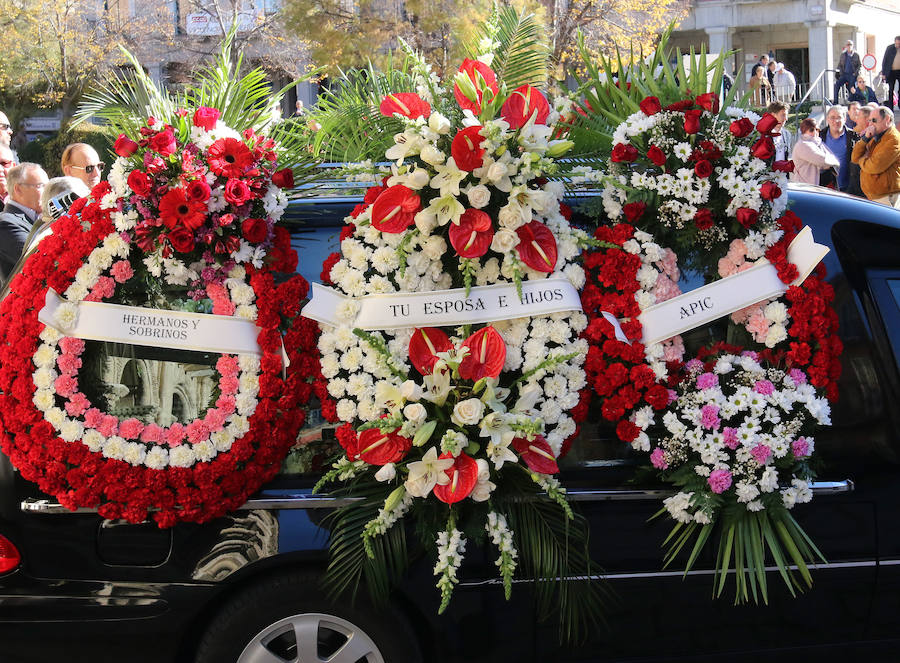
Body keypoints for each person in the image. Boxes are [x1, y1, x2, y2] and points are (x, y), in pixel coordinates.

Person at [0, 163, 48, 286]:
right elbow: (39, 261)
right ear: (18, 189)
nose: (48, 192)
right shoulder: (5, 223)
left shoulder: (40, 216)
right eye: (41, 186)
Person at [851, 105, 900, 206]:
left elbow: (875, 165)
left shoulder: (893, 139)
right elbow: (855, 157)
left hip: (887, 196)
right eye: (869, 120)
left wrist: (863, 159)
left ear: (887, 119)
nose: (871, 124)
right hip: (876, 195)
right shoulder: (875, 135)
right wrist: (865, 139)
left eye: (874, 120)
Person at [791, 118, 840, 186]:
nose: (815, 133)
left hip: (817, 186)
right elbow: (822, 160)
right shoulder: (803, 144)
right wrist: (833, 162)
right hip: (804, 187)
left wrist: (832, 163)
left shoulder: (819, 143)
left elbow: (831, 159)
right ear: (804, 131)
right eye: (811, 130)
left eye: (817, 130)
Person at [819, 105, 857, 191]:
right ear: (827, 119)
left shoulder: (853, 137)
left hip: (848, 188)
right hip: (826, 188)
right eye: (832, 117)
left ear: (845, 119)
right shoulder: (820, 137)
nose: (836, 121)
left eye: (839, 117)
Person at [847, 105, 872, 196]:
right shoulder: (856, 134)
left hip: (865, 187)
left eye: (859, 116)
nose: (856, 119)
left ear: (867, 119)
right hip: (854, 183)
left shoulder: (872, 138)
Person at [881, 36, 900, 110]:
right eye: (896, 43)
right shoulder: (890, 48)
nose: (897, 45)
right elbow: (884, 60)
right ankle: (890, 109)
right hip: (891, 72)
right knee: (890, 90)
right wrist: (883, 73)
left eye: (899, 44)